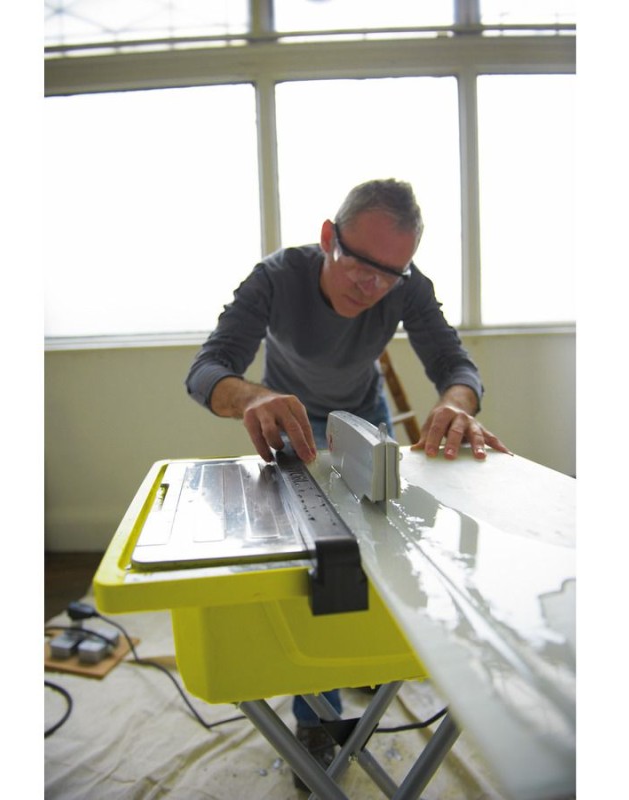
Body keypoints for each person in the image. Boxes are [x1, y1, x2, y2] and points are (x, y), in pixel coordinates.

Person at [186, 178, 509, 788]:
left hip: (364, 420)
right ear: (328, 237)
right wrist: (252, 396)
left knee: (384, 546)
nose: (372, 287)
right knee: (318, 563)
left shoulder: (406, 285)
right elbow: (207, 369)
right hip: (288, 421)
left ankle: (363, 655)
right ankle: (316, 716)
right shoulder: (276, 278)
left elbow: (456, 365)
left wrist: (457, 403)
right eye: (360, 265)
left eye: (390, 274)